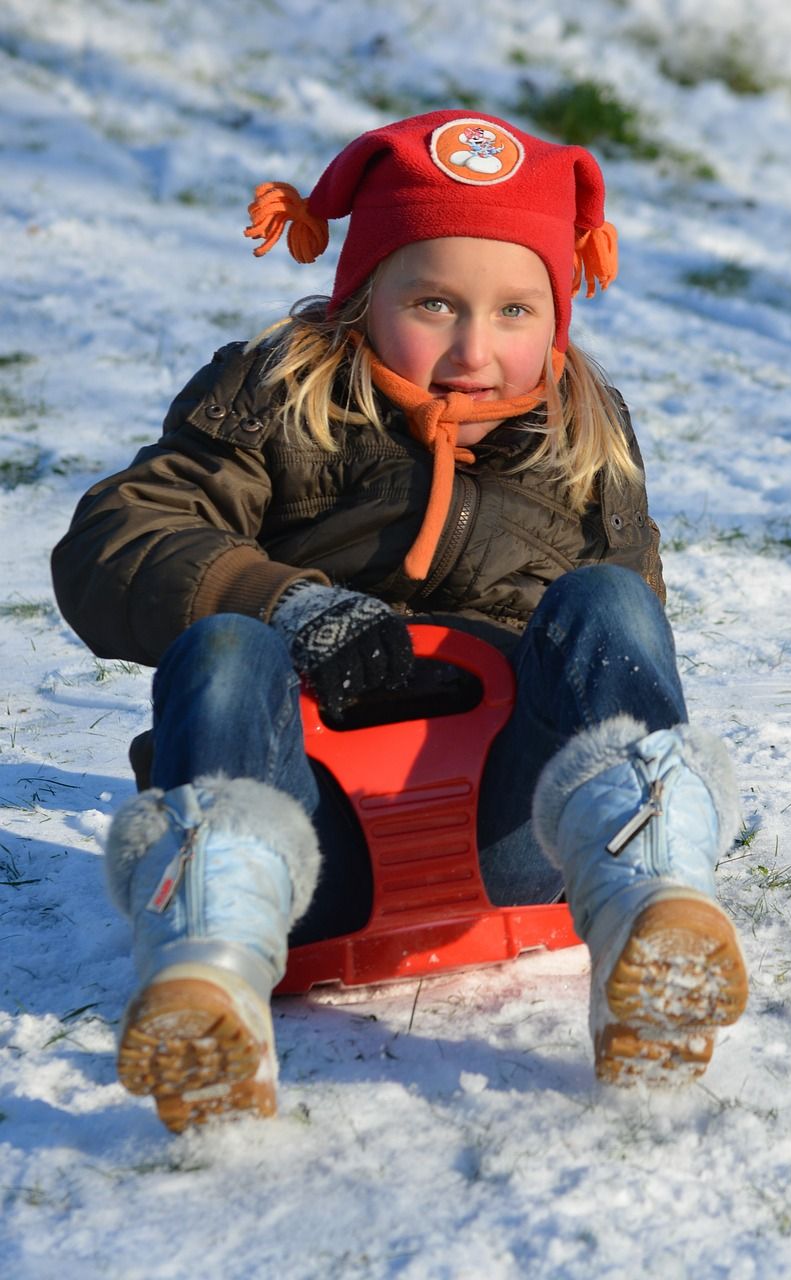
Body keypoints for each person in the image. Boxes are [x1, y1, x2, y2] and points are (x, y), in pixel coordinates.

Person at [51, 110, 747, 1134]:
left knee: (607, 605)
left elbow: (624, 660)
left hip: (521, 841)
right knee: (224, 646)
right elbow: (116, 536)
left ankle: (648, 910)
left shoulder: (581, 433)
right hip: (308, 847)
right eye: (433, 302)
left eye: (515, 310)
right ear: (360, 293)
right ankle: (212, 967)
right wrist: (288, 602)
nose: (476, 349)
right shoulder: (277, 395)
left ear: (556, 311)